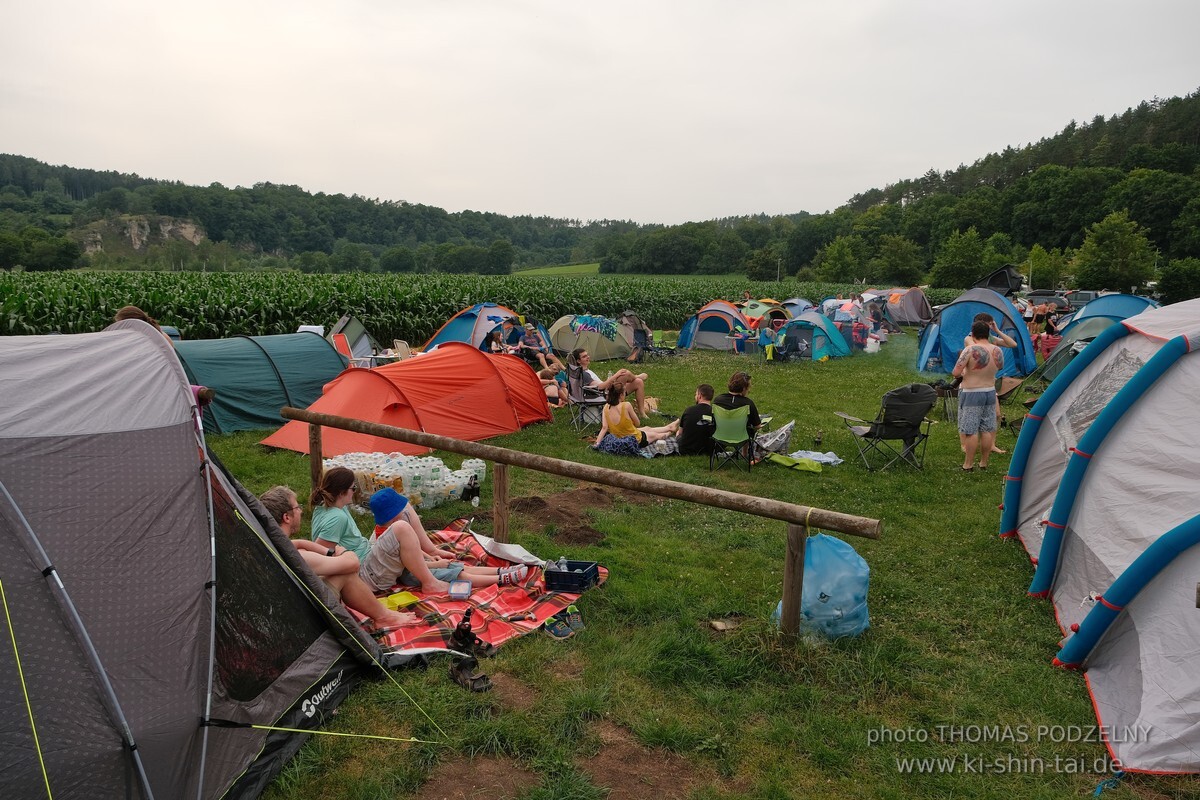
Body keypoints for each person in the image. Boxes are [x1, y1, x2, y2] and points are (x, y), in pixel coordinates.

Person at [259, 485, 417, 629]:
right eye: (297, 507)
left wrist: (310, 545)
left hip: (293, 606)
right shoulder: (297, 554)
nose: (300, 511)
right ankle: (384, 616)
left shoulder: (271, 543)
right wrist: (341, 551)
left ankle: (383, 614)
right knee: (345, 571)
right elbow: (352, 564)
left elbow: (309, 547)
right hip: (307, 615)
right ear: (286, 517)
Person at [366, 488, 528, 592]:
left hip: (420, 564)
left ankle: (501, 571)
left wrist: (431, 556)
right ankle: (501, 580)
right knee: (458, 573)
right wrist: (435, 564)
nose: (404, 511)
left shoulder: (393, 528)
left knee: (459, 566)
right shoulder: (386, 535)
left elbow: (412, 549)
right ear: (393, 514)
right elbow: (407, 563)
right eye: (401, 510)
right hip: (411, 574)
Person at [962, 313, 1016, 455]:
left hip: (988, 385)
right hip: (973, 386)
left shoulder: (991, 338)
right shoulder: (969, 339)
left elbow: (1012, 344)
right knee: (968, 419)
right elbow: (976, 350)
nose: (990, 327)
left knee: (997, 415)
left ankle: (991, 444)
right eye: (989, 325)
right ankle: (965, 445)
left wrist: (998, 331)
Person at [953, 320, 1003, 471]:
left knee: (971, 431)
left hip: (972, 393)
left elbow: (956, 372)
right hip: (989, 391)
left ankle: (968, 464)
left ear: (973, 334)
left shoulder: (970, 349)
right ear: (988, 334)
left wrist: (963, 372)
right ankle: (984, 462)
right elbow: (1000, 367)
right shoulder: (997, 350)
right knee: (987, 429)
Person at [571, 348, 649, 417]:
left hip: (604, 391)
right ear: (578, 361)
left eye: (587, 355)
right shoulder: (584, 374)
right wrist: (615, 376)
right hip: (604, 394)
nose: (588, 357)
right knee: (625, 373)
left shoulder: (584, 371)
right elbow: (600, 387)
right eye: (584, 356)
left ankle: (642, 413)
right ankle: (637, 376)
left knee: (638, 382)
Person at [595, 384, 678, 448]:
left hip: (620, 437)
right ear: (620, 395)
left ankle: (669, 427)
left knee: (647, 428)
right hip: (634, 440)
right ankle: (670, 432)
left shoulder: (606, 407)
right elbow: (637, 423)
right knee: (656, 435)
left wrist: (597, 443)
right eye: (624, 392)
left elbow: (604, 428)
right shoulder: (626, 405)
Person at [675, 383, 716, 456]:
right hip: (707, 449)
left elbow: (681, 432)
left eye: (696, 394)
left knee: (678, 434)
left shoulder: (689, 410)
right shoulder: (715, 413)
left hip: (686, 449)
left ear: (699, 396)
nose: (695, 396)